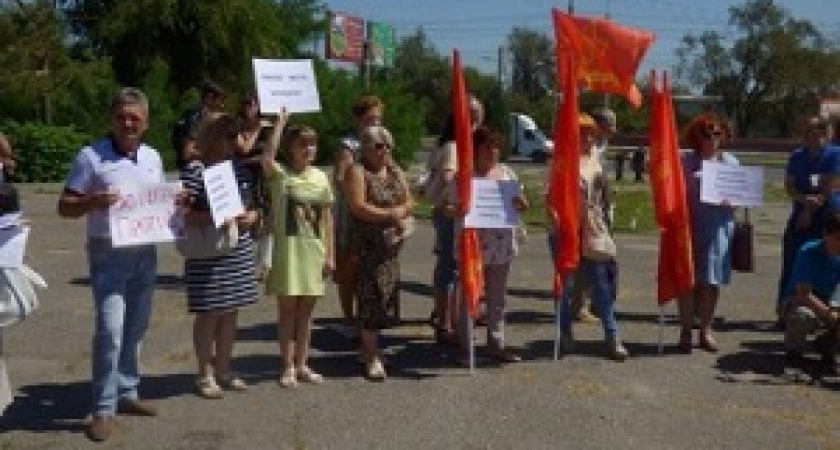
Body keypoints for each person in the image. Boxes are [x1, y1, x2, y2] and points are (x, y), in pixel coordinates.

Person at [57, 88, 163, 442]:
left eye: (135, 117)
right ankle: (102, 409)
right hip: (109, 253)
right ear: (111, 120)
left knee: (137, 327)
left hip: (145, 251)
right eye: (121, 116)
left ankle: (127, 391)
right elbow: (64, 206)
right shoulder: (91, 157)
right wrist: (93, 201)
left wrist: (177, 202)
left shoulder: (153, 157)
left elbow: (159, 204)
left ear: (146, 123)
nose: (128, 123)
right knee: (111, 330)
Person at [180, 113, 260, 398]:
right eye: (229, 135)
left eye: (236, 135)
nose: (236, 141)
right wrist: (215, 216)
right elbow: (182, 215)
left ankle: (224, 368)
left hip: (236, 247)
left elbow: (249, 203)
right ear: (212, 137)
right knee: (209, 313)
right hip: (207, 251)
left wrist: (251, 216)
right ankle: (204, 374)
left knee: (231, 311)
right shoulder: (195, 170)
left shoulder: (238, 169)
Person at [261, 112, 334, 388]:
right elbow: (267, 159)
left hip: (313, 252)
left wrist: (330, 255)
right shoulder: (281, 175)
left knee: (307, 314)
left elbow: (327, 218)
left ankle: (303, 363)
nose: (308, 149)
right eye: (303, 144)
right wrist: (280, 123)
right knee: (287, 313)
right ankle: (287, 366)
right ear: (291, 148)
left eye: (312, 144)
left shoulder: (321, 178)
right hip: (288, 253)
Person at [552, 113, 628, 361]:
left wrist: (608, 219)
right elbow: (549, 195)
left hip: (593, 229)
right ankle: (564, 333)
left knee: (602, 284)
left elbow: (604, 193)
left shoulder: (595, 158)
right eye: (582, 133)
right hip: (565, 230)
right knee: (566, 285)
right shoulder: (560, 160)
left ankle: (612, 335)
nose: (587, 138)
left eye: (590, 134)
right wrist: (555, 217)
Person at [450, 126, 529, 364]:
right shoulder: (464, 177)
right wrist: (458, 209)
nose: (493, 151)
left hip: (501, 244)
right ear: (474, 149)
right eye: (487, 146)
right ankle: (466, 347)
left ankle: (496, 344)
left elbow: (520, 203)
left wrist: (521, 204)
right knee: (470, 296)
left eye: (496, 146)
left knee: (497, 298)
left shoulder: (506, 174)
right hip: (473, 245)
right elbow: (447, 206)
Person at [345, 125, 413, 380]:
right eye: (378, 145)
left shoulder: (394, 170)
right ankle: (371, 356)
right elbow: (358, 206)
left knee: (385, 297)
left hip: (391, 247)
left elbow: (409, 200)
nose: (384, 150)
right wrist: (389, 214)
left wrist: (402, 213)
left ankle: (370, 348)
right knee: (369, 297)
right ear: (365, 148)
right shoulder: (358, 171)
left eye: (387, 145)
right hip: (368, 246)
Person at [426, 95, 484, 346]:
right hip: (450, 212)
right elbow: (450, 178)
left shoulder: (474, 142)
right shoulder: (453, 146)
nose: (473, 118)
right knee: (449, 267)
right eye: (468, 113)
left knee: (464, 265)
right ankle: (444, 321)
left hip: (470, 211)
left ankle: (458, 316)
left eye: (477, 113)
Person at [677, 114, 737, 353]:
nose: (711, 139)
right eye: (705, 134)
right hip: (690, 228)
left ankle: (706, 329)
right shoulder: (686, 162)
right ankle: (685, 330)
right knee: (688, 282)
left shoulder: (731, 162)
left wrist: (731, 201)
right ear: (696, 136)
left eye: (716, 133)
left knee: (711, 283)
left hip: (719, 229)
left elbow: (739, 199)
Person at [775, 116, 839, 327]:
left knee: (826, 261)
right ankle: (785, 311)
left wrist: (810, 210)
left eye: (819, 129)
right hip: (801, 214)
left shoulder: (835, 154)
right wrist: (804, 202)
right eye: (809, 130)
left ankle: (825, 309)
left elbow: (830, 185)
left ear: (826, 132)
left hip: (827, 217)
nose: (814, 134)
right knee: (793, 259)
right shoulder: (797, 156)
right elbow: (790, 185)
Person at [332, 95, 384, 340]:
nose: (374, 123)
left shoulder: (381, 141)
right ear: (358, 119)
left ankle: (370, 316)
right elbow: (340, 179)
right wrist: (360, 188)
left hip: (374, 212)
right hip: (351, 212)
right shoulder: (348, 145)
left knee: (371, 267)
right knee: (349, 266)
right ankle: (348, 318)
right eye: (370, 118)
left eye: (378, 119)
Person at [781, 212, 840, 374]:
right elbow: (803, 294)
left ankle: (827, 346)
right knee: (803, 315)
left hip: (830, 301)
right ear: (825, 235)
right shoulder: (808, 251)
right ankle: (794, 353)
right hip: (798, 300)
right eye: (837, 238)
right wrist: (830, 315)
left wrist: (835, 309)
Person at [173, 80, 226, 171]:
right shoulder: (198, 118)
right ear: (209, 97)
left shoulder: (190, 113)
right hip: (195, 170)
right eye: (220, 100)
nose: (222, 105)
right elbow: (188, 152)